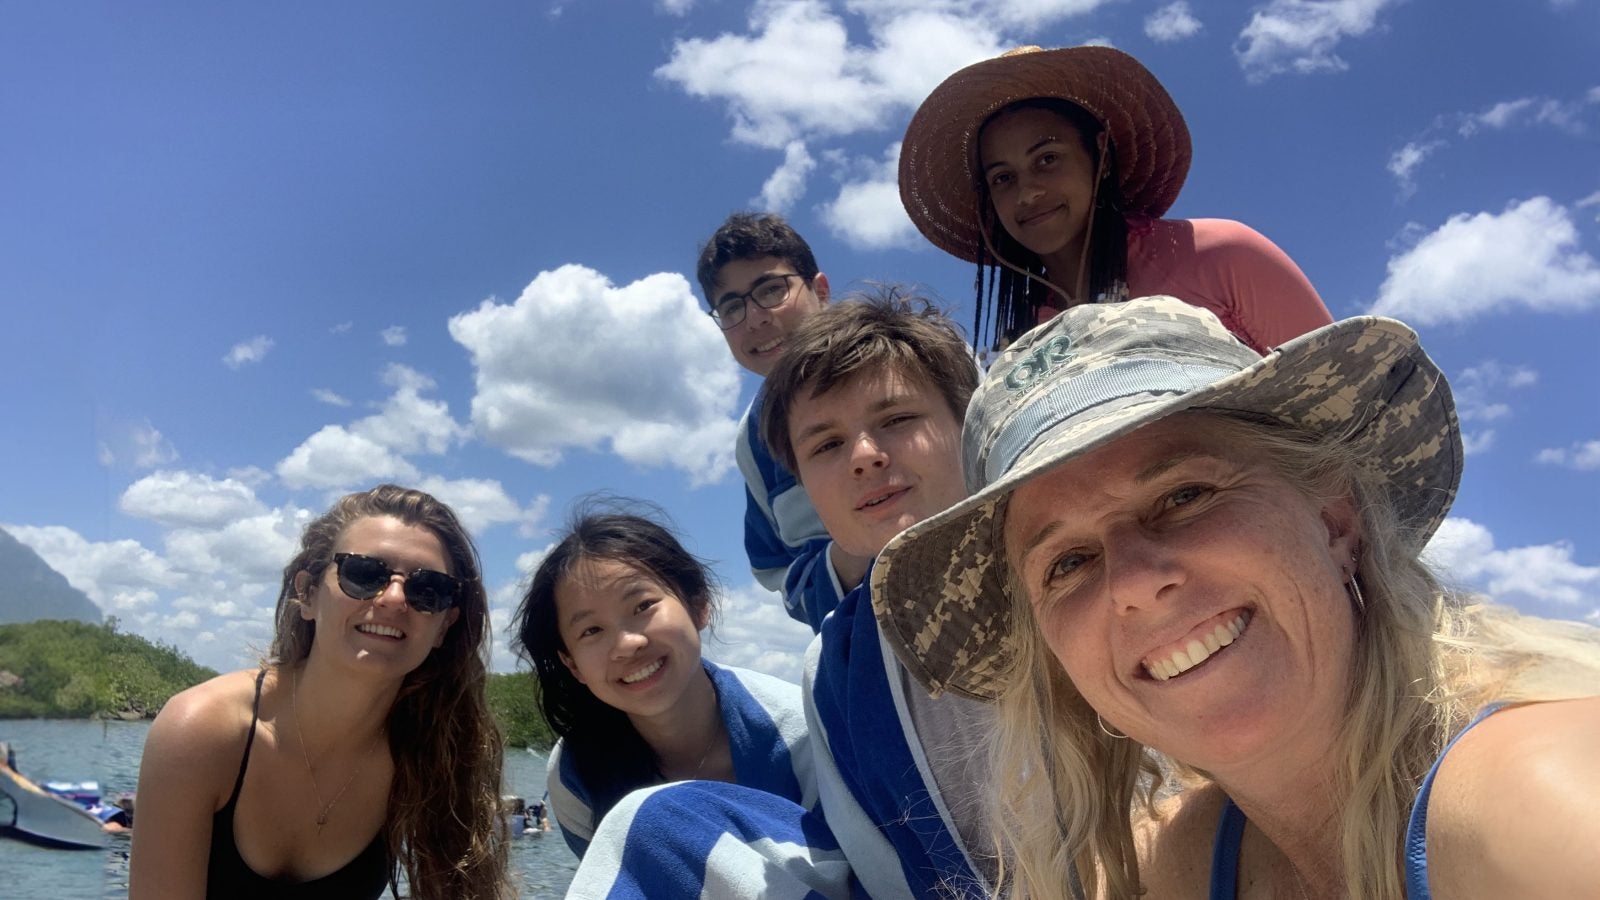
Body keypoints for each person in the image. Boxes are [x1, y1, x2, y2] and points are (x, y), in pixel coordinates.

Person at [871, 296, 1600, 899]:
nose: (1133, 581)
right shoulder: (1172, 860)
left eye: (1184, 495)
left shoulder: (1533, 803)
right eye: (1067, 563)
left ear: (1335, 521)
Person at [131, 484, 507, 900]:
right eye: (364, 574)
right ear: (307, 594)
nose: (395, 599)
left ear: (444, 626)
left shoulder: (430, 754)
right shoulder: (202, 731)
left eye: (428, 590)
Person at [899, 45, 1333, 353]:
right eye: (1002, 178)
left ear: (1101, 155)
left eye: (1047, 159)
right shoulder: (1027, 344)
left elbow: (1358, 399)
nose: (1027, 192)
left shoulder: (1222, 254)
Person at [512, 505, 814, 859]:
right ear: (572, 664)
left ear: (698, 604)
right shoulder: (574, 774)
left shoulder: (804, 736)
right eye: (591, 630)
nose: (628, 643)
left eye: (642, 606)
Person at [696, 212, 851, 630]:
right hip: (859, 654)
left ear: (820, 290)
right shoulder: (754, 441)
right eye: (731, 307)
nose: (755, 318)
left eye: (770, 289)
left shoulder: (914, 363)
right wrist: (850, 561)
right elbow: (774, 569)